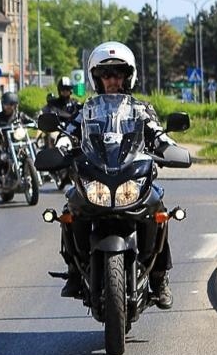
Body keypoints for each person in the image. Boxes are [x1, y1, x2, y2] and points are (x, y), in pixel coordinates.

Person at [49, 41, 179, 308]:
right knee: (70, 206)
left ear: (127, 77)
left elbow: (158, 133)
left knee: (159, 208)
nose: (112, 80)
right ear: (97, 78)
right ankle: (75, 271)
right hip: (96, 176)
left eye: (117, 74)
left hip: (131, 176)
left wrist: (170, 148)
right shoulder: (86, 110)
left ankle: (159, 276)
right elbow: (68, 135)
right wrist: (60, 150)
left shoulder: (140, 108)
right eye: (106, 75)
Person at [0, 90, 24, 182]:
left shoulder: (19, 116)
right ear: (3, 105)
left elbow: (30, 121)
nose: (10, 107)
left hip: (18, 142)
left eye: (12, 104)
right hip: (2, 143)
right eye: (7, 104)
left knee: (32, 145)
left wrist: (38, 123)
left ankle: (36, 168)